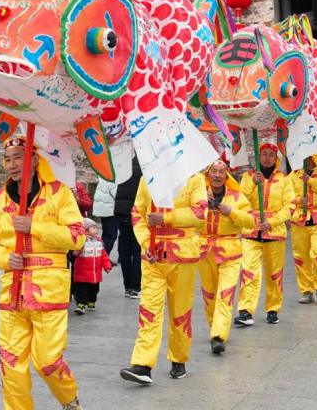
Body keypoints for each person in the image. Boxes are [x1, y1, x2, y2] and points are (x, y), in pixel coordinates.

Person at [0, 137, 85, 410]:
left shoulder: (59, 193)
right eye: (8, 158)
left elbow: (76, 236)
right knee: (11, 365)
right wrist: (4, 257)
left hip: (48, 292)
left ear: (35, 160)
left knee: (47, 361)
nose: (12, 165)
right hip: (12, 294)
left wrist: (33, 225)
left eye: (19, 158)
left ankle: (69, 399)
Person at [120, 173, 207, 384]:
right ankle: (143, 364)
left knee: (180, 312)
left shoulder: (194, 178)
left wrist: (167, 218)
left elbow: (199, 212)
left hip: (183, 257)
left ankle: (178, 358)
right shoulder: (148, 176)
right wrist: (144, 243)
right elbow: (137, 214)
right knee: (148, 310)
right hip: (153, 257)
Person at [198, 160, 254, 354]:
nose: (217, 175)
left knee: (226, 294)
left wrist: (232, 212)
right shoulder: (197, 195)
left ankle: (219, 335)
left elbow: (251, 221)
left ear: (226, 175)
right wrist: (201, 206)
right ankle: (215, 327)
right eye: (213, 171)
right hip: (204, 251)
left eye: (221, 172)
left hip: (230, 252)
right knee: (209, 295)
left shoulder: (237, 196)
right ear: (208, 174)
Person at [235, 144, 293, 326]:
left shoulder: (284, 179)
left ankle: (273, 309)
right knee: (249, 271)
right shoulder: (248, 177)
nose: (267, 158)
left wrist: (273, 222)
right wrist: (253, 184)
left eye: (271, 155)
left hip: (274, 233)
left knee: (274, 273)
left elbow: (289, 206)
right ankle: (245, 310)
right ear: (259, 157)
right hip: (251, 231)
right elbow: (239, 200)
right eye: (264, 154)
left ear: (276, 158)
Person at [289, 155, 317, 305]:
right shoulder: (294, 174)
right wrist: (297, 201)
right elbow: (285, 196)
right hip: (299, 221)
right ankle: (306, 290)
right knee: (301, 258)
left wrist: (310, 181)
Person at [116, 157, 143, 298]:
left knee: (125, 251)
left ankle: (127, 286)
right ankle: (136, 286)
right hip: (135, 212)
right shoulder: (145, 169)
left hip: (121, 211)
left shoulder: (124, 166)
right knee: (137, 249)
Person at [73, 218, 112, 314]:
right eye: (93, 228)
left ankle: (91, 301)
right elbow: (75, 253)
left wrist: (107, 266)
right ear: (86, 231)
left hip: (95, 273)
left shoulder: (99, 241)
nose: (96, 230)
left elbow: (103, 255)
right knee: (82, 289)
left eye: (96, 228)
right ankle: (81, 304)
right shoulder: (82, 241)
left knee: (94, 289)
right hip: (82, 273)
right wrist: (76, 251)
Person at [92, 178, 119, 262]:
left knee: (105, 234)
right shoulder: (114, 178)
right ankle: (104, 258)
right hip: (110, 211)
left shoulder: (104, 176)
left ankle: (102, 256)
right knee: (111, 235)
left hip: (103, 209)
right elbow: (116, 194)